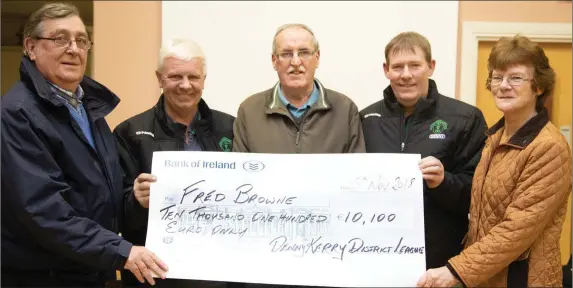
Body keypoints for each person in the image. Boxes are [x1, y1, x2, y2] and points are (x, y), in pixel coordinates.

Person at [1, 3, 167, 287]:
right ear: (31, 47)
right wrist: (121, 251)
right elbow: (43, 210)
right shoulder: (17, 114)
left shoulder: (88, 109)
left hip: (87, 271)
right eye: (60, 39)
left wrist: (134, 201)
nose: (73, 49)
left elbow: (96, 197)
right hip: (43, 277)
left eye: (81, 40)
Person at [417, 35, 572, 287]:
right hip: (488, 278)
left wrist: (455, 270)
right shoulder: (495, 137)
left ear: (539, 87)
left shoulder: (548, 147)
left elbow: (515, 231)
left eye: (516, 78)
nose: (503, 85)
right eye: (497, 77)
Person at [113, 38, 236, 288]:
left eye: (193, 77)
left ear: (204, 79)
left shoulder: (231, 128)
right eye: (175, 77)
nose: (185, 85)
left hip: (217, 271)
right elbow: (112, 213)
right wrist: (135, 199)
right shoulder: (129, 133)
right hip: (154, 275)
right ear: (159, 78)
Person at [360, 32, 488, 270]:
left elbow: (480, 195)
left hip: (440, 263)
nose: (406, 75)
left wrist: (443, 182)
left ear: (431, 66)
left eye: (415, 65)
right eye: (397, 67)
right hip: (376, 259)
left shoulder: (465, 119)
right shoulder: (366, 119)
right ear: (386, 70)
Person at [232, 23, 365, 153]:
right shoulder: (249, 112)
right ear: (274, 60)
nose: (295, 62)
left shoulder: (345, 110)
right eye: (286, 54)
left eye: (304, 52)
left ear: (317, 58)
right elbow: (239, 173)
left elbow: (357, 172)